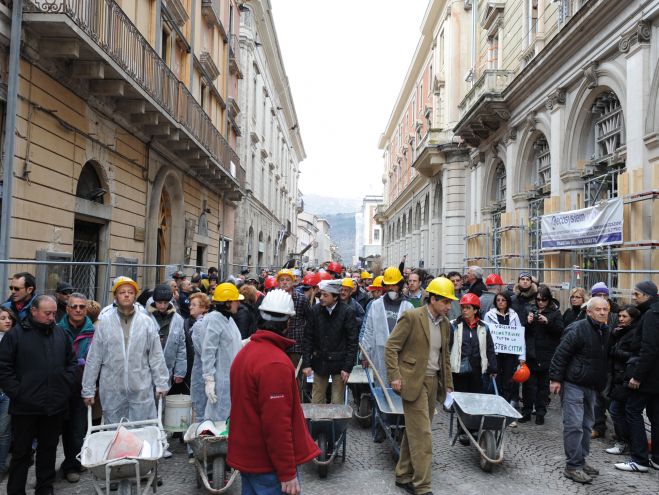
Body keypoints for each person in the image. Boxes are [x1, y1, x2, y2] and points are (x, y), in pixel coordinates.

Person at [228, 289, 319, 495]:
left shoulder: (245, 353)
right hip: (267, 465)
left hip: (250, 459)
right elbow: (277, 424)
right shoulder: (275, 363)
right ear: (288, 323)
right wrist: (287, 472)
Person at [384, 277, 456, 495]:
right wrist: (395, 376)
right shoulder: (412, 316)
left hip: (433, 382)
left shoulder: (445, 324)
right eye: (445, 301)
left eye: (450, 302)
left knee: (415, 430)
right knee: (423, 434)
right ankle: (422, 486)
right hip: (412, 382)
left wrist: (449, 385)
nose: (449, 306)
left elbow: (444, 357)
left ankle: (402, 474)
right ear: (433, 299)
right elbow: (391, 347)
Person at [0, 295, 76, 495]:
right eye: (47, 313)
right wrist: (18, 393)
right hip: (25, 407)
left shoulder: (61, 334)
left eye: (54, 313)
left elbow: (71, 363)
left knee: (48, 450)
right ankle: (16, 490)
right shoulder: (15, 335)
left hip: (54, 406)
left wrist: (64, 388)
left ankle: (45, 488)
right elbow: (4, 368)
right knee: (21, 452)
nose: (52, 317)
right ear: (34, 311)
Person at [82, 276, 169, 423]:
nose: (127, 295)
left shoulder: (146, 322)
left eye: (130, 292)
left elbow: (156, 355)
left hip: (140, 388)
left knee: (141, 430)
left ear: (135, 296)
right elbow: (94, 357)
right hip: (112, 390)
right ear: (115, 297)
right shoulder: (105, 323)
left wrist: (161, 382)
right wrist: (88, 389)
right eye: (122, 292)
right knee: (115, 431)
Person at [549, 297, 610, 484]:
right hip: (573, 383)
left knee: (586, 425)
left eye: (605, 309)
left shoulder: (605, 331)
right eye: (598, 309)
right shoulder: (577, 328)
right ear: (589, 312)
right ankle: (573, 466)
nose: (602, 312)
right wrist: (555, 379)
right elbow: (561, 354)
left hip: (591, 386)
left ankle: (581, 461)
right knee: (574, 425)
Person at [615, 280, 659, 473]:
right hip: (655, 375)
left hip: (648, 376)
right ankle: (656, 458)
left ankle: (639, 459)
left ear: (647, 296)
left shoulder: (651, 315)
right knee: (656, 416)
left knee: (632, 410)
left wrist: (638, 376)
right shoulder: (652, 312)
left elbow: (649, 349)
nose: (633, 297)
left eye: (636, 294)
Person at [58, 292, 95, 483]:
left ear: (86, 310)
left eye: (81, 307)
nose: (78, 310)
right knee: (63, 428)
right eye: (74, 306)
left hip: (83, 386)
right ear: (67, 309)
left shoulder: (93, 332)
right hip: (61, 386)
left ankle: (74, 463)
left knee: (79, 427)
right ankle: (68, 463)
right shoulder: (58, 330)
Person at [302, 280, 358, 405]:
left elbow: (352, 342)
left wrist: (347, 368)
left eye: (325, 295)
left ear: (335, 297)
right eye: (321, 294)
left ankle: (336, 419)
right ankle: (317, 419)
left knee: (337, 402)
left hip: (339, 364)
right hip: (320, 362)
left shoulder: (347, 312)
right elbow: (308, 338)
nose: (321, 298)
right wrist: (306, 363)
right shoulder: (315, 311)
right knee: (317, 400)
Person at [361, 267, 414, 382]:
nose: (391, 288)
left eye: (394, 285)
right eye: (388, 285)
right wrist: (365, 355)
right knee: (381, 387)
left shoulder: (408, 307)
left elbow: (412, 336)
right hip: (379, 356)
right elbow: (368, 331)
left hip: (401, 356)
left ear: (399, 285)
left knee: (400, 387)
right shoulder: (376, 305)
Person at [520, 284, 564, 425]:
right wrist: (528, 322)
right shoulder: (529, 309)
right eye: (538, 299)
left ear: (548, 300)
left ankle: (540, 413)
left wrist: (548, 322)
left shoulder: (555, 313)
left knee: (543, 388)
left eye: (543, 300)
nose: (540, 302)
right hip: (531, 353)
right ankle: (526, 411)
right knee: (528, 386)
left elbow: (560, 332)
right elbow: (521, 330)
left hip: (546, 355)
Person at [201, 283, 244, 422]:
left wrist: (248, 342)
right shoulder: (215, 320)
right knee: (219, 419)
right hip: (220, 380)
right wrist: (209, 379)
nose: (238, 303)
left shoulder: (228, 319)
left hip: (230, 378)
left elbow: (232, 344)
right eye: (236, 300)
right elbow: (208, 352)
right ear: (227, 303)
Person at [605, 305, 640, 456]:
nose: (620, 319)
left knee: (616, 409)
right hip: (618, 376)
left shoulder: (634, 333)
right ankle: (626, 441)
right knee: (618, 409)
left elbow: (634, 355)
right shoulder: (620, 331)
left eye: (624, 316)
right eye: (619, 316)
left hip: (626, 377)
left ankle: (623, 442)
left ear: (633, 318)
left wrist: (615, 351)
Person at [449, 293, 497, 399]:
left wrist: (493, 368)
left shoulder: (484, 327)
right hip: (459, 370)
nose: (464, 310)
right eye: (463, 307)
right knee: (460, 399)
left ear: (475, 310)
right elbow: (448, 347)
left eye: (468, 308)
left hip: (477, 370)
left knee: (475, 398)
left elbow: (490, 348)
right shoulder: (454, 325)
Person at [484, 291, 525, 404]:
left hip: (510, 354)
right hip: (495, 354)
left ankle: (506, 404)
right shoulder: (489, 315)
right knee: (495, 380)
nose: (500, 302)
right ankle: (495, 405)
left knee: (508, 381)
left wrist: (522, 356)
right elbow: (485, 334)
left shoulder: (514, 315)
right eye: (498, 300)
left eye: (503, 300)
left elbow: (519, 336)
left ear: (508, 302)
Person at [147, 285, 188, 387]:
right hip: (146, 370)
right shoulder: (145, 317)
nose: (162, 306)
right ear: (154, 301)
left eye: (165, 302)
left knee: (163, 394)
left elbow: (181, 347)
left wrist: (180, 371)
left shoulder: (178, 319)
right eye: (159, 302)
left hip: (167, 369)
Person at [276, 269, 310, 369]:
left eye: (287, 280)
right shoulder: (274, 298)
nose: (284, 282)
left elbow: (310, 319)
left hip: (296, 344)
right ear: (278, 282)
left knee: (294, 374)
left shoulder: (301, 299)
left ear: (292, 282)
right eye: (282, 280)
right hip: (278, 343)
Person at [0, 307, 17, 480]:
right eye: (3, 318)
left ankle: (1, 466)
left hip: (7, 392)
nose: (7, 321)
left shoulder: (15, 339)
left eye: (9, 318)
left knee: (3, 431)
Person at [189, 293, 210, 422]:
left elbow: (203, 352)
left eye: (194, 305)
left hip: (201, 371)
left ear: (203, 308)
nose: (190, 307)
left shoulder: (198, 325)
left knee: (199, 405)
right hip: (204, 370)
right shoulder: (207, 322)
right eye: (190, 304)